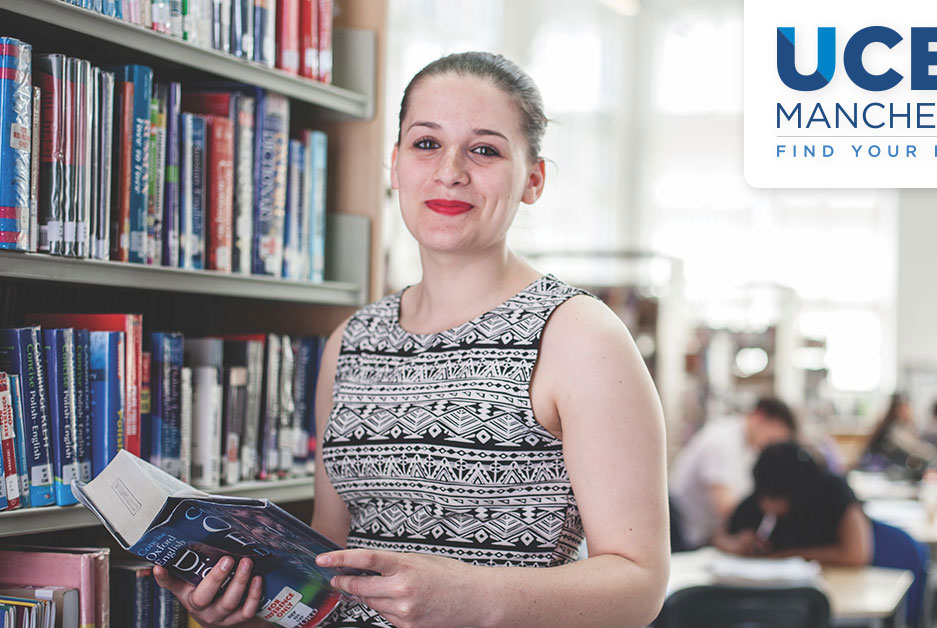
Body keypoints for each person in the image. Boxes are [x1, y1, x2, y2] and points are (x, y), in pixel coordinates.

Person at [154, 52, 670, 628]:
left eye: (485, 149)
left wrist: (470, 597)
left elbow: (638, 583)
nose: (450, 170)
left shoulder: (580, 335)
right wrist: (244, 607)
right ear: (395, 164)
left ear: (533, 179)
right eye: (426, 144)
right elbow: (329, 561)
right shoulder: (352, 340)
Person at [668, 397, 798, 551]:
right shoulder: (722, 440)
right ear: (760, 416)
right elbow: (726, 508)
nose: (772, 446)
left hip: (703, 535)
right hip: (682, 533)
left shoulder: (750, 448)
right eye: (773, 438)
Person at [719, 442, 872, 566]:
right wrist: (735, 544)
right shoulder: (764, 492)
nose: (767, 504)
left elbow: (857, 554)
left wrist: (789, 555)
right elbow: (718, 536)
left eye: (775, 499)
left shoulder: (832, 491)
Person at [864, 392, 937, 474]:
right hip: (888, 470)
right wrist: (930, 453)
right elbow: (913, 448)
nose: (908, 412)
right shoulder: (894, 429)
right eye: (905, 408)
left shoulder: (904, 427)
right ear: (896, 410)